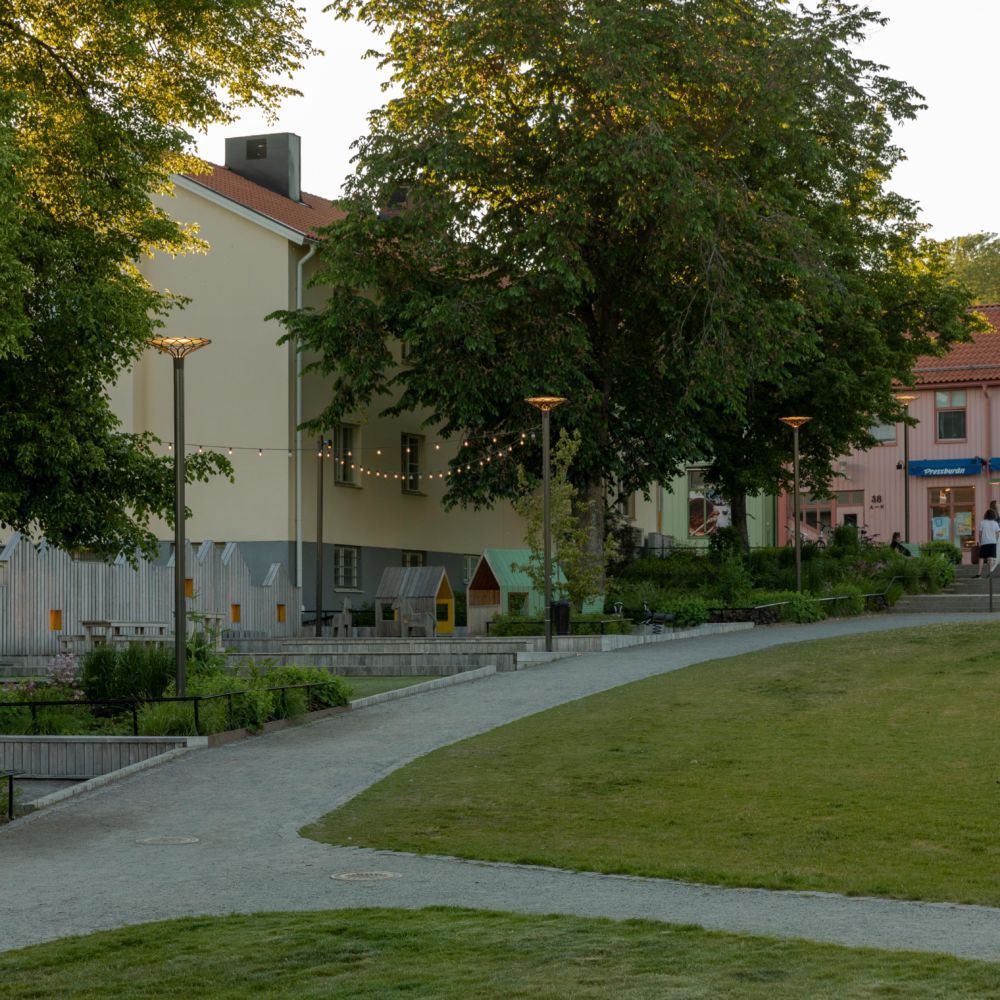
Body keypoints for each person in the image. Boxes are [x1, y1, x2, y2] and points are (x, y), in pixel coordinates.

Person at [976, 509, 1000, 577]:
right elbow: (997, 533)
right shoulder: (995, 523)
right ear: (993, 515)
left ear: (986, 515)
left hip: (984, 542)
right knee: (991, 557)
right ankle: (990, 573)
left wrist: (980, 542)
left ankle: (979, 573)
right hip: (992, 542)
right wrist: (995, 540)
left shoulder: (982, 522)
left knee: (981, 557)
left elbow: (980, 534)